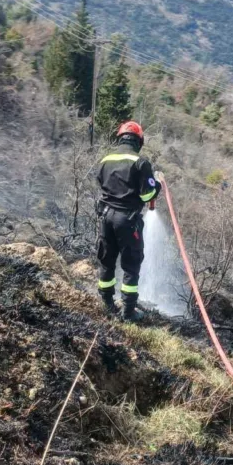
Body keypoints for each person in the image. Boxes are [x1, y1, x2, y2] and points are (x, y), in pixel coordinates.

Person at [96, 121, 162, 320]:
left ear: (120, 138)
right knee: (131, 264)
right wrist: (157, 184)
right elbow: (147, 196)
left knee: (106, 260)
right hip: (127, 220)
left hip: (106, 217)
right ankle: (128, 311)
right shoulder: (140, 162)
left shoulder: (105, 160)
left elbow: (101, 184)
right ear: (139, 141)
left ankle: (107, 304)